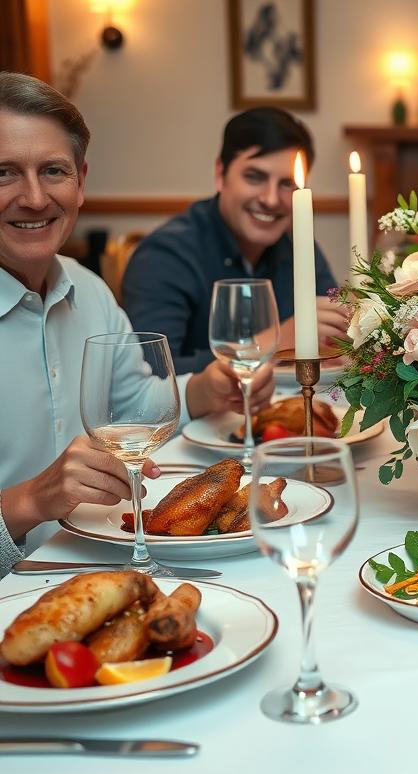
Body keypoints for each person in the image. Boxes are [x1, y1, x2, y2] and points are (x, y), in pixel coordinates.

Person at [0, 72, 273, 567]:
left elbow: (132, 405)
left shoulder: (87, 288)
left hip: (99, 558)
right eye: (5, 172)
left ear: (81, 182)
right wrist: (28, 502)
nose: (35, 198)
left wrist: (203, 389)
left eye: (54, 172)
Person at [121, 107, 348, 372]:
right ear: (220, 174)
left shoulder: (297, 247)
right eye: (254, 177)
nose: (271, 199)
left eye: (287, 184)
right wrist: (270, 345)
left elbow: (332, 341)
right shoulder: (165, 255)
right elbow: (151, 373)